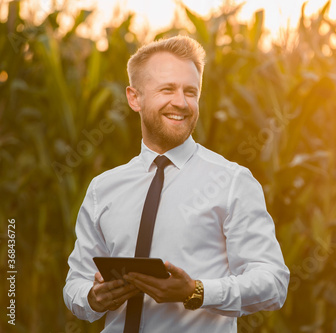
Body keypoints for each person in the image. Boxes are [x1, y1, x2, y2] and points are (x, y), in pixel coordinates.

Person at [63, 35, 289, 332]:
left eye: (191, 92)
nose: (181, 103)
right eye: (167, 89)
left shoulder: (233, 181)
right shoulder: (102, 188)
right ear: (135, 98)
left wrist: (196, 291)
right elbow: (75, 284)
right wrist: (93, 297)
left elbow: (272, 283)